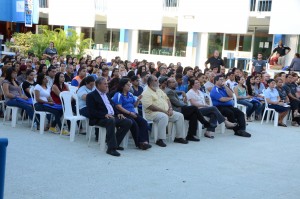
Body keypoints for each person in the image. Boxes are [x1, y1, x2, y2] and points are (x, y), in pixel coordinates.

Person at [86, 77, 132, 157]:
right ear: (98, 85)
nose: (107, 85)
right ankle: (111, 149)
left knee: (127, 121)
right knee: (111, 121)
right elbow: (91, 111)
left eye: (107, 84)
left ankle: (115, 143)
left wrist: (118, 113)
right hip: (99, 118)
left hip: (111, 116)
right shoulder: (91, 96)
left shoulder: (106, 95)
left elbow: (113, 106)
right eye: (105, 84)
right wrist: (104, 115)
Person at [141, 75, 188, 147]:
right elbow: (150, 106)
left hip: (166, 111)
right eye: (156, 80)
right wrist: (163, 111)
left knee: (180, 115)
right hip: (152, 113)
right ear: (150, 83)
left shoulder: (159, 90)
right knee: (164, 117)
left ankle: (178, 137)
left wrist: (170, 108)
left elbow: (167, 99)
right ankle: (160, 139)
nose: (157, 82)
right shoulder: (146, 92)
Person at [112, 78, 151, 150]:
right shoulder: (118, 94)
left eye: (130, 84)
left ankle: (145, 141)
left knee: (143, 122)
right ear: (122, 86)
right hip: (124, 113)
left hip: (133, 113)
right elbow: (118, 107)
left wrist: (138, 100)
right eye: (127, 85)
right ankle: (139, 143)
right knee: (134, 124)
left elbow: (134, 105)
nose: (129, 86)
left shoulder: (130, 94)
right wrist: (129, 113)